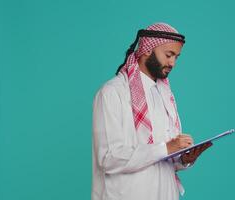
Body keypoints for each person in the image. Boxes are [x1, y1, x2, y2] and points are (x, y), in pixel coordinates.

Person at [91, 22, 212, 200]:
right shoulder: (112, 93)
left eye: (176, 57)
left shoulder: (165, 95)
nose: (172, 63)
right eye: (169, 55)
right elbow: (109, 159)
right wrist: (166, 148)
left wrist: (183, 159)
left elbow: (163, 158)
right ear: (148, 49)